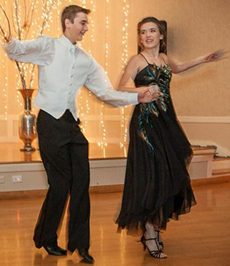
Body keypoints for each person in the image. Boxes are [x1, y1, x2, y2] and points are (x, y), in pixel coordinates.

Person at [0, 6, 161, 264]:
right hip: (49, 122)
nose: (86, 28)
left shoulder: (86, 60)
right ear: (68, 22)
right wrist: (9, 41)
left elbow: (106, 92)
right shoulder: (48, 46)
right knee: (60, 184)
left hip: (71, 125)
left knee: (81, 184)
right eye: (83, 23)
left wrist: (137, 95)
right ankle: (47, 237)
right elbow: (18, 50)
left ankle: (80, 244)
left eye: (86, 23)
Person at [115, 16, 225, 259]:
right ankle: (151, 232)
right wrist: (142, 90)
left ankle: (152, 226)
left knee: (167, 172)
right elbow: (120, 87)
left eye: (152, 31)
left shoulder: (163, 59)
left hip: (166, 120)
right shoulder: (137, 60)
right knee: (151, 175)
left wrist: (204, 59)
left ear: (161, 36)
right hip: (145, 123)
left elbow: (178, 68)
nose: (147, 35)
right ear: (140, 37)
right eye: (143, 32)